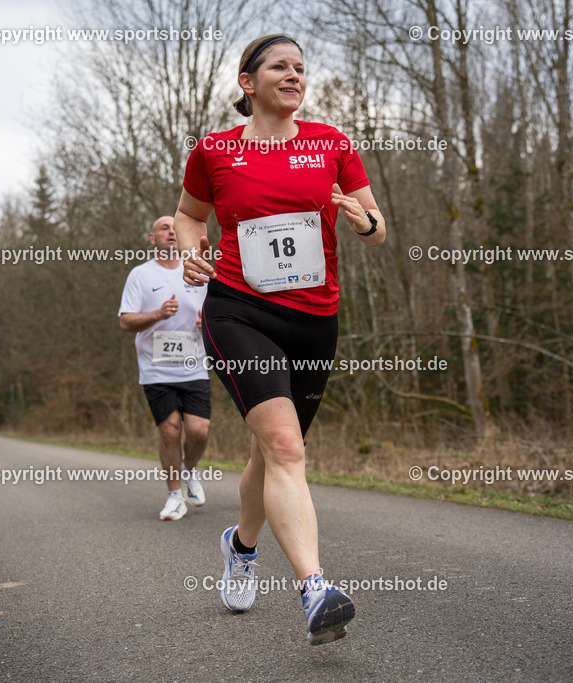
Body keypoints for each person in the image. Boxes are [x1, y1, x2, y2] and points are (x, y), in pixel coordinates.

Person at [175, 34, 385, 645]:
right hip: (239, 311)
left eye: (300, 68)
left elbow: (374, 227)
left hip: (315, 318)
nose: (294, 75)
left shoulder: (332, 143)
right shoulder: (214, 150)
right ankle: (316, 588)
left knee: (270, 455)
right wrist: (193, 255)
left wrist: (363, 220)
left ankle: (240, 546)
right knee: (286, 448)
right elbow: (191, 216)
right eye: (279, 67)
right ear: (248, 82)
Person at [119, 216, 211, 521]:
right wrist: (157, 314)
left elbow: (216, 314)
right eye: (164, 229)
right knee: (170, 431)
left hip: (194, 366)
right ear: (152, 238)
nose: (171, 232)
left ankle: (189, 470)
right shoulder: (140, 275)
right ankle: (174, 496)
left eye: (175, 228)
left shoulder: (197, 270)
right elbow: (125, 321)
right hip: (156, 368)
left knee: (199, 431)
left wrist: (207, 324)